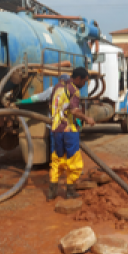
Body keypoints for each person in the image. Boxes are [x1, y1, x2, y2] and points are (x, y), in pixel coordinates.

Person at [47, 67, 96, 201]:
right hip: (69, 131)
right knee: (74, 162)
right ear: (78, 79)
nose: (84, 84)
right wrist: (87, 119)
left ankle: (52, 192)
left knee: (56, 161)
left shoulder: (57, 86)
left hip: (55, 130)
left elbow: (50, 105)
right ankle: (69, 191)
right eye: (84, 81)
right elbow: (74, 111)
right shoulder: (74, 89)